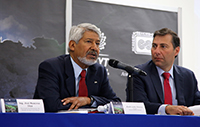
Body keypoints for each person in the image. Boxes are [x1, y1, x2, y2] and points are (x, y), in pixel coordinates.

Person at [33, 23, 121, 112]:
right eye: (89, 41)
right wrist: (86, 107)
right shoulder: (52, 67)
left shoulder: (99, 70)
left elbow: (115, 104)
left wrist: (88, 100)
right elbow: (50, 105)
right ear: (72, 45)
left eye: (97, 43)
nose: (95, 48)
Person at [128, 28, 200, 115]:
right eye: (154, 46)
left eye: (163, 46)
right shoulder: (139, 73)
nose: (157, 51)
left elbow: (197, 104)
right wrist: (166, 109)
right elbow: (138, 106)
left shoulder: (187, 76)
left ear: (176, 51)